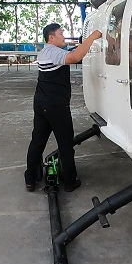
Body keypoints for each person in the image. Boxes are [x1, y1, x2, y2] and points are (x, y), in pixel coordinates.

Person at [25, 23, 102, 192]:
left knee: (38, 141)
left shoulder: (45, 51)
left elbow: (72, 52)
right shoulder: (54, 52)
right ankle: (70, 181)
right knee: (65, 144)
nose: (64, 36)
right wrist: (93, 36)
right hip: (56, 106)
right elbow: (74, 58)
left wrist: (82, 44)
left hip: (41, 103)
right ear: (51, 37)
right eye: (61, 33)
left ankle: (30, 178)